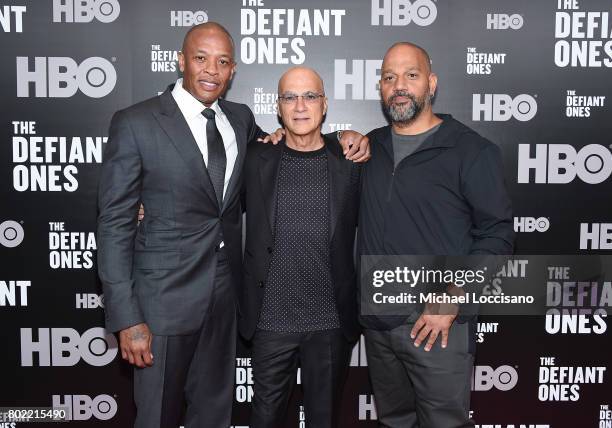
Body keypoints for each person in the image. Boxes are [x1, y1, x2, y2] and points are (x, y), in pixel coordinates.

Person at [97, 22, 369, 428]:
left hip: (226, 302)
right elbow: (114, 222)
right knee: (156, 417)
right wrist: (127, 317)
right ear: (180, 61)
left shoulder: (239, 119)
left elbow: (286, 144)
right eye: (201, 58)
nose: (212, 70)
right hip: (162, 305)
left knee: (214, 414)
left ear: (233, 70)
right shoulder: (136, 122)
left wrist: (345, 135)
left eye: (223, 61)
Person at [357, 42, 515, 427]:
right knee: (394, 421)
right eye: (389, 77)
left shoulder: (471, 151)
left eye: (411, 75)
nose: (399, 85)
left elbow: (497, 235)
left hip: (436, 327)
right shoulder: (368, 147)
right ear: (380, 86)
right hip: (378, 324)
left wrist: (455, 297)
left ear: (431, 83)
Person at [240, 67, 361, 428]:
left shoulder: (352, 161)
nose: (300, 106)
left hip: (329, 323)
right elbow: (208, 202)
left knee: (324, 420)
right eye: (289, 97)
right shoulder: (254, 158)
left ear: (324, 105)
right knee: (264, 419)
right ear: (278, 107)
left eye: (310, 96)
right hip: (270, 321)